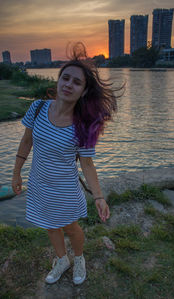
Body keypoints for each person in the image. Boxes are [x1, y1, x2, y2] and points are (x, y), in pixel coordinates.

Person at [12, 43, 119, 285]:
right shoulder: (38, 108)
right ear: (59, 81)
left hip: (66, 189)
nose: (69, 84)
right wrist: (16, 174)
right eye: (65, 78)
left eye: (76, 82)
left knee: (70, 227)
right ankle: (62, 260)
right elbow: (26, 141)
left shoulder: (83, 125)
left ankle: (78, 258)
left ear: (83, 91)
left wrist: (99, 197)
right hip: (39, 183)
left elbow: (87, 164)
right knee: (50, 226)